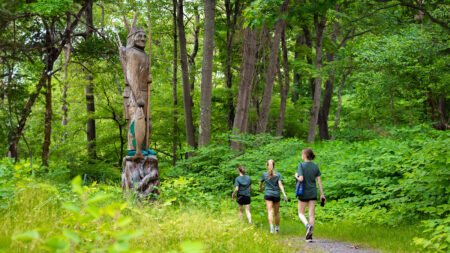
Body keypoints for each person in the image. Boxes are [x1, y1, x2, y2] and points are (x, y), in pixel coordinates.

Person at [295, 148, 325, 241]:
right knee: (311, 214)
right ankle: (310, 237)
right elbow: (319, 181)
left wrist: (295, 175)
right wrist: (322, 194)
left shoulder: (301, 165)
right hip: (313, 192)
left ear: (305, 155)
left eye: (302, 154)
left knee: (300, 213)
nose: (301, 155)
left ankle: (307, 226)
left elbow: (301, 179)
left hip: (303, 193)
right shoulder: (315, 166)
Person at [259, 159, 288, 234]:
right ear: (274, 165)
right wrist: (284, 194)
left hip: (268, 194)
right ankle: (277, 228)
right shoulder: (278, 174)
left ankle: (271, 229)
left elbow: (260, 184)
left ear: (267, 165)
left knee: (270, 212)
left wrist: (261, 188)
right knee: (276, 212)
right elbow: (280, 185)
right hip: (276, 195)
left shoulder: (264, 174)